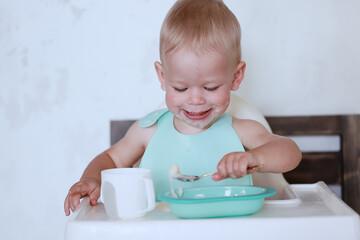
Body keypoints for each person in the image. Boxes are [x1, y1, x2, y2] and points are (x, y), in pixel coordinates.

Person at [64, 0, 301, 216]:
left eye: (210, 87)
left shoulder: (240, 130)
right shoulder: (148, 131)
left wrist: (254, 157)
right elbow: (110, 159)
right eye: (180, 88)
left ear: (236, 77)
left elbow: (289, 152)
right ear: (163, 77)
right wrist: (91, 178)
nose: (195, 100)